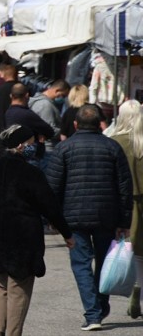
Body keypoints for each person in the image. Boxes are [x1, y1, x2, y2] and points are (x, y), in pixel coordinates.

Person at [0, 125, 74, 336]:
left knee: (1, 284)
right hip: (23, 237)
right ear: (20, 146)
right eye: (31, 142)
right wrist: (67, 233)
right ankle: (13, 333)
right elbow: (50, 206)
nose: (35, 145)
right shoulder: (31, 173)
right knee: (19, 288)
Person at [45, 105, 133, 331]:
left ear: (75, 125)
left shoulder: (64, 149)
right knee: (105, 264)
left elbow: (52, 187)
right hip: (106, 216)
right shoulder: (112, 147)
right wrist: (124, 221)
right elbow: (125, 187)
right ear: (100, 124)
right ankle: (100, 307)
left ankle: (93, 314)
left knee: (81, 264)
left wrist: (53, 219)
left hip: (73, 217)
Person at [110, 104, 143, 319]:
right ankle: (138, 293)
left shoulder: (115, 141)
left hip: (124, 202)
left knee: (128, 249)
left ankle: (134, 290)